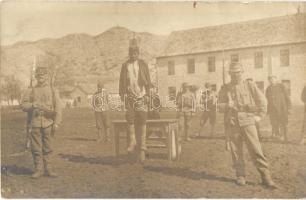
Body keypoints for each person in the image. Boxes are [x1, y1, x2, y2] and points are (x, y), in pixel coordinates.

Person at [218, 62, 276, 189]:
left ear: (242, 72)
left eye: (238, 72)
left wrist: (259, 116)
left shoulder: (249, 85)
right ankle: (241, 176)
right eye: (233, 73)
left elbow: (263, 101)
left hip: (248, 122)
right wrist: (228, 104)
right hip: (233, 123)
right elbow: (218, 107)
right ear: (229, 74)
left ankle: (266, 176)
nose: (236, 75)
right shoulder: (225, 88)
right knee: (236, 152)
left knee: (256, 150)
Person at [21, 55, 62, 179]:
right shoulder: (31, 90)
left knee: (48, 147)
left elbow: (58, 107)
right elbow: (23, 105)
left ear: (47, 76)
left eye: (43, 75)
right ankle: (38, 169)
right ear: (36, 77)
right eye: (38, 76)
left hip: (48, 122)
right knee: (36, 148)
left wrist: (57, 123)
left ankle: (48, 169)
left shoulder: (53, 90)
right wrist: (32, 105)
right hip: (35, 122)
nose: (40, 78)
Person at [119, 38, 152, 162]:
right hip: (130, 97)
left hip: (141, 96)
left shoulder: (143, 64)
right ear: (129, 54)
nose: (133, 55)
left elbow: (148, 80)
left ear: (138, 54)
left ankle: (143, 146)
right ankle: (132, 141)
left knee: (142, 119)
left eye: (135, 53)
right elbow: (121, 81)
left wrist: (148, 94)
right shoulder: (125, 65)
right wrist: (122, 95)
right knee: (130, 118)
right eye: (131, 53)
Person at [265, 75, 291, 142]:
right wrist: (268, 110)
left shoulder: (281, 86)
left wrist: (289, 108)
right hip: (272, 109)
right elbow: (267, 99)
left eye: (273, 79)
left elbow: (287, 97)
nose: (271, 80)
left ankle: (286, 137)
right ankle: (276, 136)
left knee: (284, 123)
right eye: (270, 79)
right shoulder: (268, 89)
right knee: (274, 123)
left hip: (282, 108)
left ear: (276, 79)